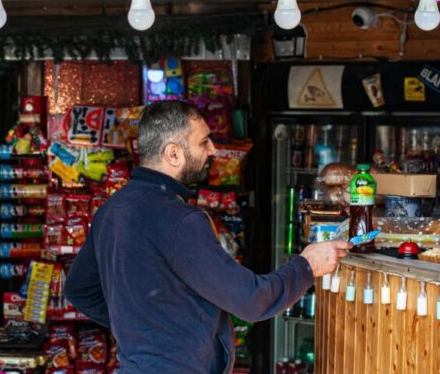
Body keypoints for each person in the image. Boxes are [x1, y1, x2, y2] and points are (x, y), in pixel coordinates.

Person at [65, 100, 351, 374]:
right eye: (204, 142)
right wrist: (307, 265)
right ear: (173, 154)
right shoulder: (180, 220)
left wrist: (142, 331)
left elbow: (79, 290)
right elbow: (252, 300)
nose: (214, 150)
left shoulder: (111, 210)